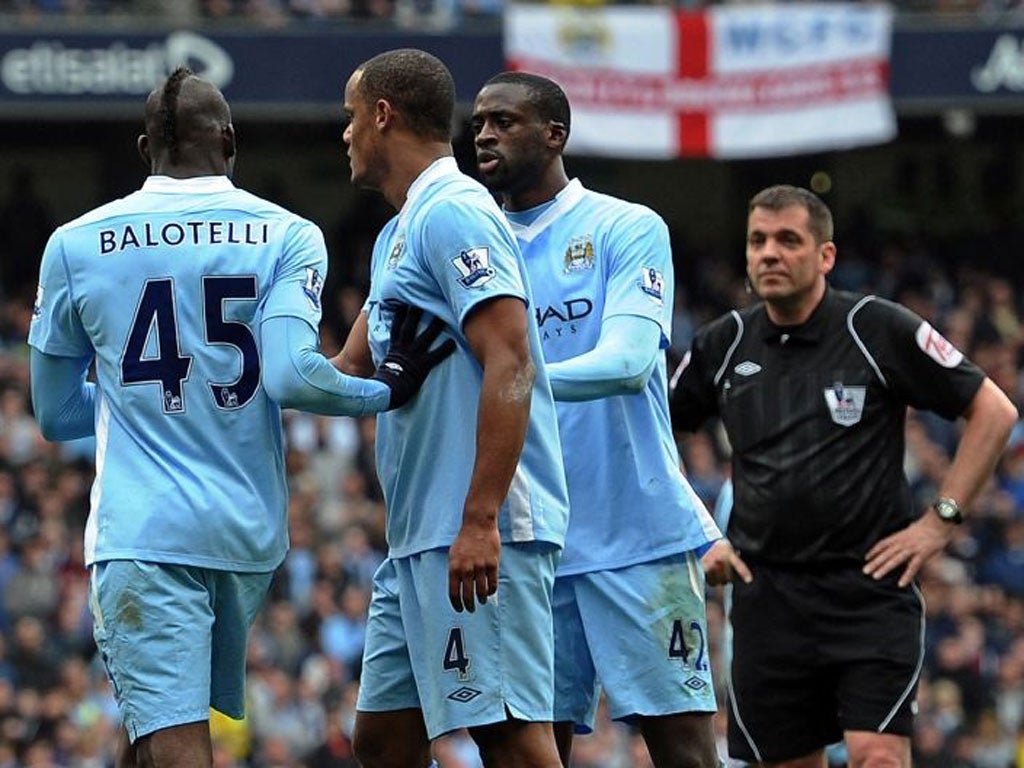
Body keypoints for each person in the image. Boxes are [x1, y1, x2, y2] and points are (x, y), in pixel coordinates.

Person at [27, 67, 452, 768]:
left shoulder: (74, 244)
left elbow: (54, 411)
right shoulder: (288, 234)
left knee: (170, 738)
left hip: (145, 531)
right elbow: (290, 374)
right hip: (245, 533)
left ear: (143, 149)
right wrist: (386, 389)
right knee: (158, 732)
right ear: (229, 140)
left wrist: (137, 405)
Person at [670, 184, 1018, 767]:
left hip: (868, 592)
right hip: (767, 597)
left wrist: (941, 522)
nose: (769, 254)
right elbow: (651, 436)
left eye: (788, 240)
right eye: (758, 241)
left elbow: (994, 410)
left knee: (877, 757)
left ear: (825, 256)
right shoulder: (723, 344)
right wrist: (697, 534)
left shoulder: (875, 328)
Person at [472, 71, 722, 768]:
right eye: (480, 123)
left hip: (634, 533)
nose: (486, 133)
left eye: (505, 121)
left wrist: (509, 382)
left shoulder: (625, 226)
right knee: (529, 752)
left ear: (556, 134)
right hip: (528, 541)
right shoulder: (471, 243)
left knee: (685, 750)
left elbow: (629, 359)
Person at [331, 50, 570, 768]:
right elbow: (345, 371)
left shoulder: (455, 212)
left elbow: (511, 356)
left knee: (508, 736)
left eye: (350, 116)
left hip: (473, 529)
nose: (344, 135)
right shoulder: (397, 232)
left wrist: (481, 518)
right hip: (417, 538)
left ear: (382, 115)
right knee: (384, 739)